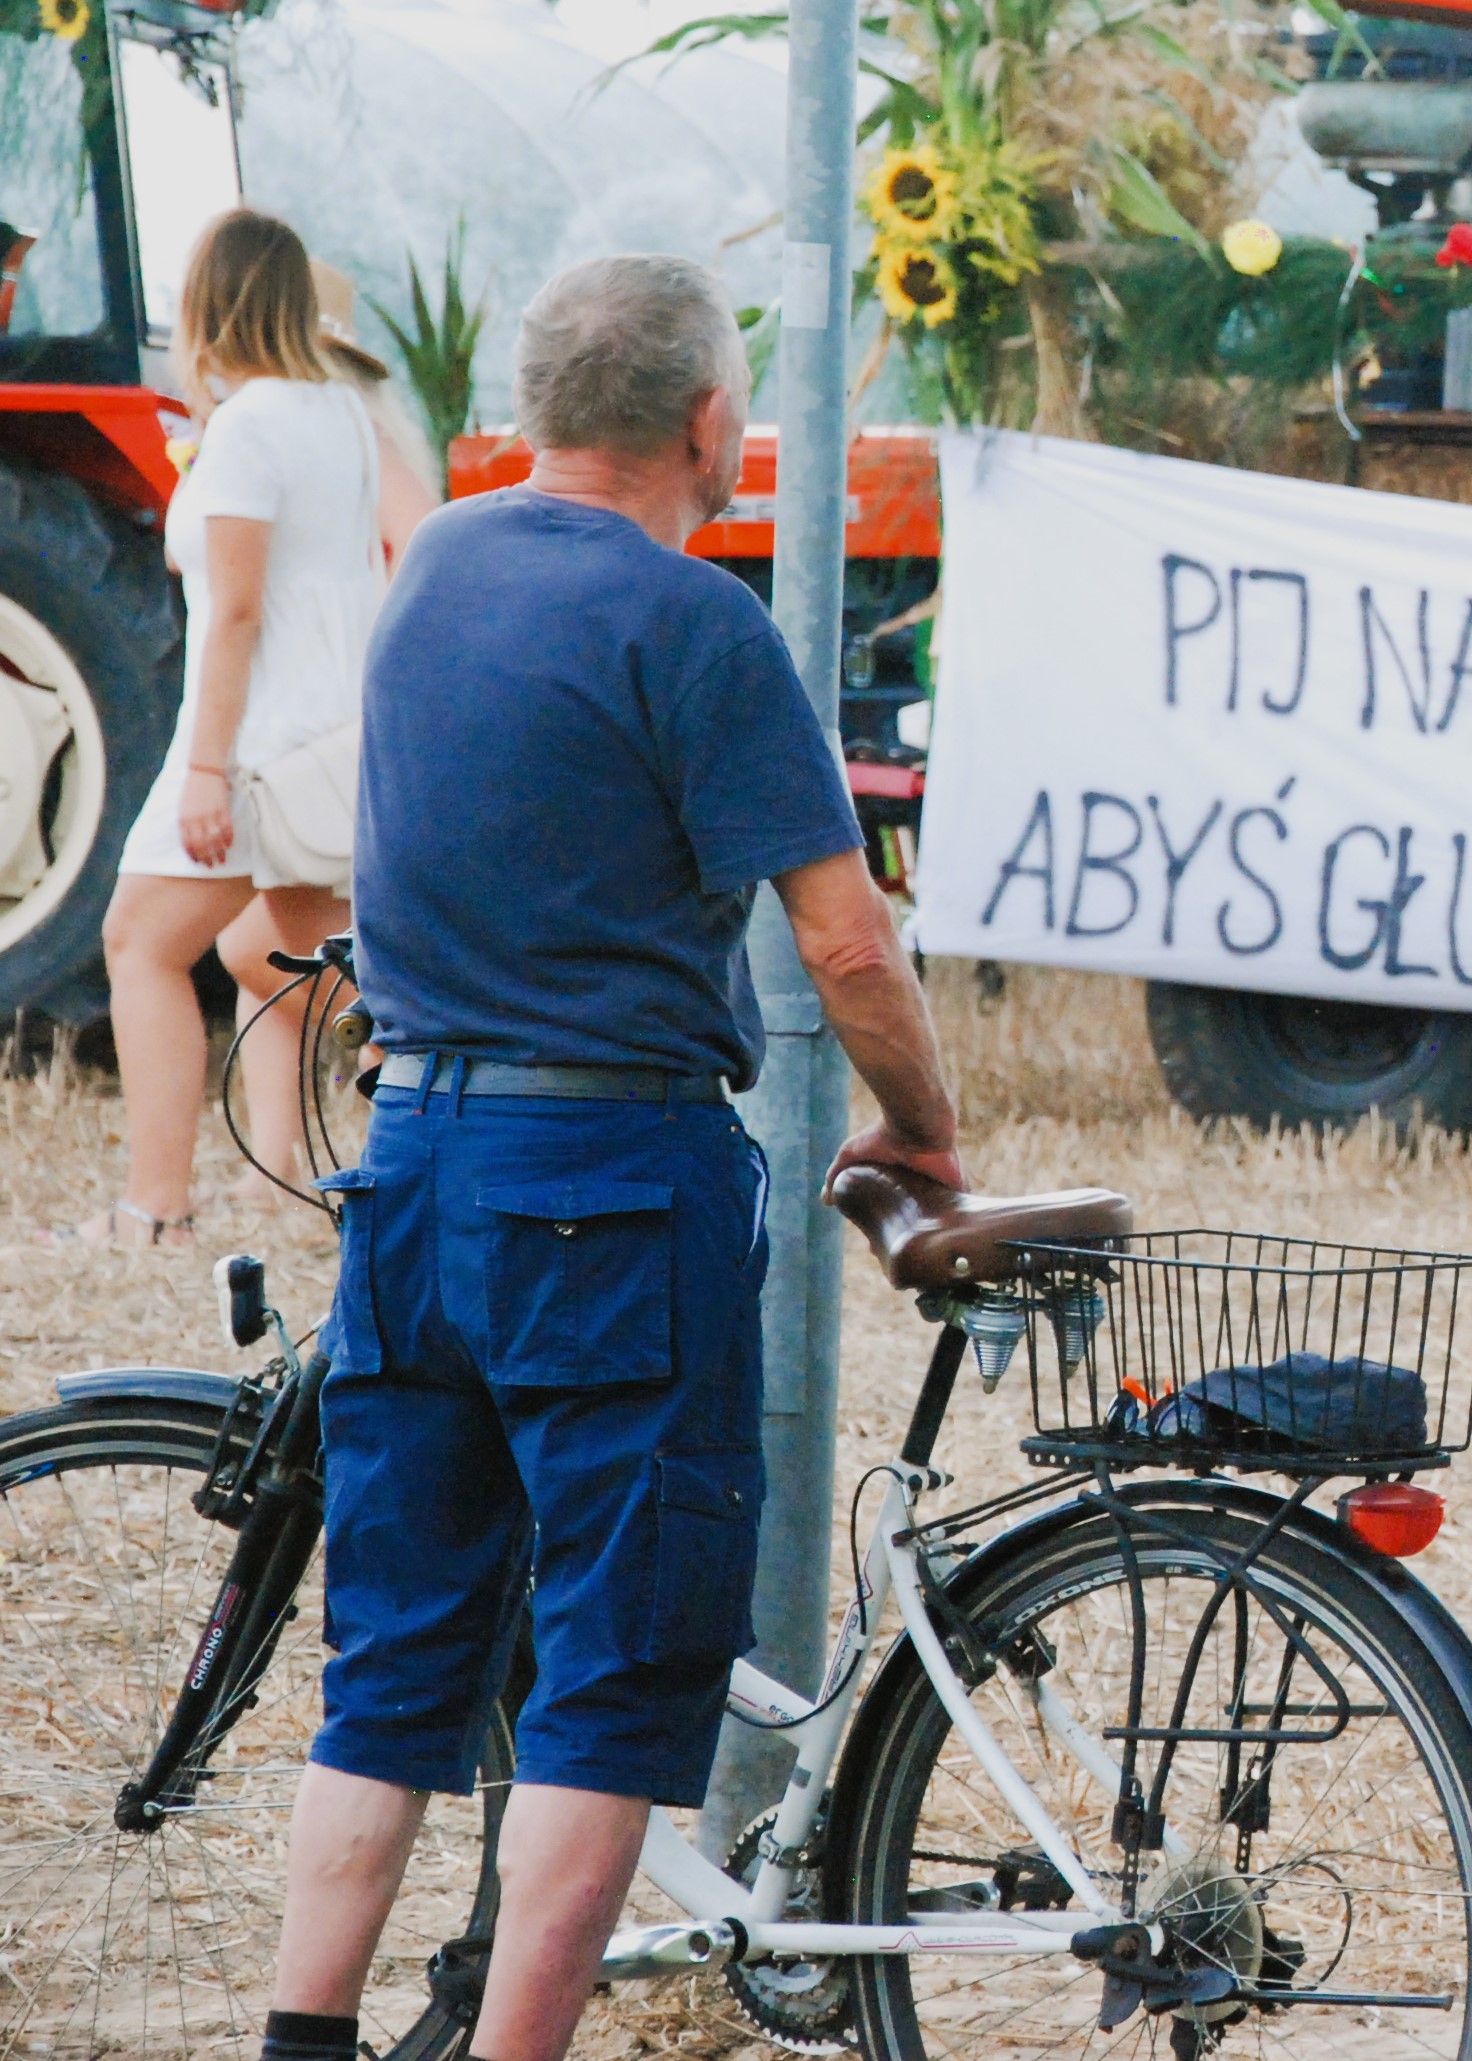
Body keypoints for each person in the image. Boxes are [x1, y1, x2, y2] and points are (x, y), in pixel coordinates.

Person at [252, 253, 964, 2061]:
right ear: (708, 424)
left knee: (394, 1654)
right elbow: (850, 943)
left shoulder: (437, 579)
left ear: (537, 407)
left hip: (409, 1167)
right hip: (609, 1185)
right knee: (615, 1677)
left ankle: (297, 2037)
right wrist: (926, 1125)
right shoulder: (696, 623)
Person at [53, 211, 432, 1248]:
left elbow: (235, 610)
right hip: (337, 726)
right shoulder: (340, 416)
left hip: (259, 736)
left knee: (139, 941)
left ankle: (154, 1205)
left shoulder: (252, 426)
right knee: (303, 964)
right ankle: (346, 1180)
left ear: (208, 305)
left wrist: (209, 769)